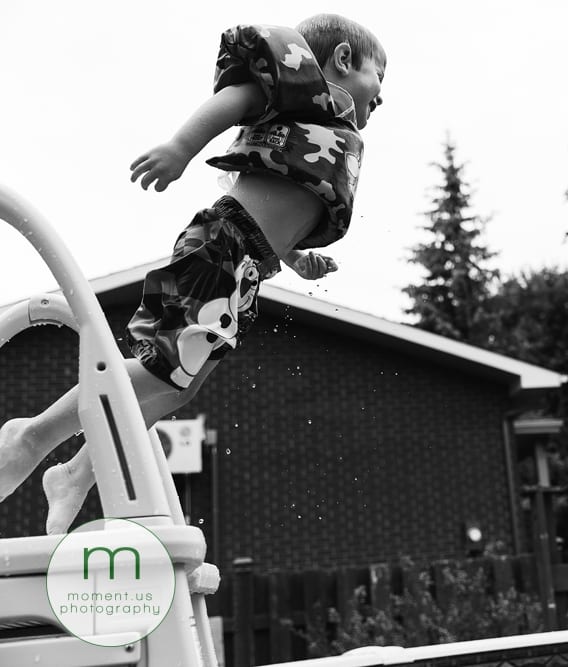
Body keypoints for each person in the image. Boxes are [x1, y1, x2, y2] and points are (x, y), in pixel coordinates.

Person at [0, 14, 386, 534]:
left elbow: (283, 191)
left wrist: (296, 257)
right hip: (222, 244)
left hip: (248, 265)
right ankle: (32, 436)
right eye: (377, 78)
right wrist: (181, 148)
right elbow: (236, 103)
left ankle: (76, 475)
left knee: (178, 387)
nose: (380, 98)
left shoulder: (321, 126)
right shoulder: (300, 91)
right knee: (164, 366)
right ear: (343, 59)